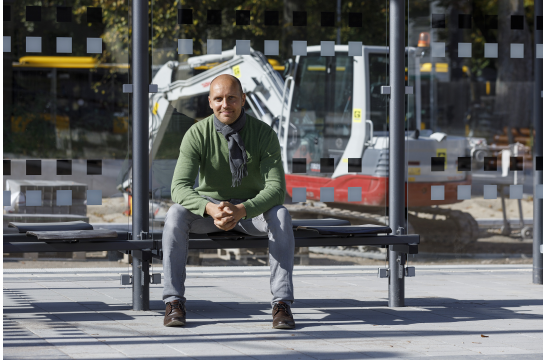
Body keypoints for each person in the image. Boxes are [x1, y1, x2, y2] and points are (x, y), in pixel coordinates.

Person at [162, 74, 296, 329]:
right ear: (210, 102)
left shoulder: (264, 134)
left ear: (243, 100)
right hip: (210, 212)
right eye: (219, 99)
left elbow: (277, 189)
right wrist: (211, 208)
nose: (226, 104)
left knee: (281, 215)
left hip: (250, 211)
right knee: (175, 214)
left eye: (232, 98)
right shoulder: (197, 134)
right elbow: (178, 188)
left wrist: (242, 209)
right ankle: (173, 301)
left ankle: (282, 304)